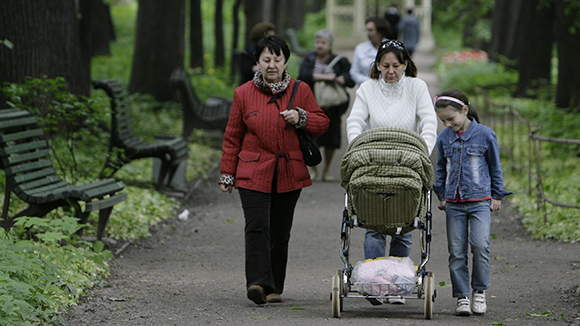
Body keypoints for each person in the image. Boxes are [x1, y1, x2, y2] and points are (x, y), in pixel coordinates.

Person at [219, 35, 330, 305]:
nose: (272, 65)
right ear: (257, 62)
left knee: (280, 231)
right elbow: (232, 136)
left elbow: (322, 122)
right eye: (266, 59)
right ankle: (257, 283)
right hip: (252, 170)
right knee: (257, 226)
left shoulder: (300, 89)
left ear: (285, 62)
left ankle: (274, 286)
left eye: (277, 59)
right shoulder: (243, 93)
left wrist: (300, 117)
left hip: (288, 171)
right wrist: (227, 173)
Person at [346, 39, 437, 303]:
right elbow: (355, 121)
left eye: (396, 65)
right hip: (374, 159)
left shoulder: (417, 87)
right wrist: (357, 147)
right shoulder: (367, 89)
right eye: (385, 65)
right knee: (373, 222)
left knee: (405, 222)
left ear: (406, 64)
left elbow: (428, 121)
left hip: (407, 158)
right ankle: (374, 280)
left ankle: (399, 283)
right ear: (376, 65)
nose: (391, 71)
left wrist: (423, 151)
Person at [433, 89, 512, 316]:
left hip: (480, 201)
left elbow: (495, 167)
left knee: (480, 246)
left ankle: (479, 290)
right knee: (456, 251)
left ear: (464, 110)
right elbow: (440, 168)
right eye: (443, 120)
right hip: (454, 203)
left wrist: (497, 195)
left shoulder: (486, 135)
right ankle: (462, 296)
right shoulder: (443, 138)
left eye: (451, 118)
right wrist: (442, 196)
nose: (448, 124)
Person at [298, 30, 355, 181]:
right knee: (310, 138)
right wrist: (323, 77)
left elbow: (350, 78)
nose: (320, 45)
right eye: (318, 42)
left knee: (331, 140)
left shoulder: (339, 60)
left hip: (333, 107)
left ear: (330, 45)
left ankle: (327, 170)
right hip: (311, 105)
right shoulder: (309, 59)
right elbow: (302, 75)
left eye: (323, 43)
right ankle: (313, 170)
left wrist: (342, 78)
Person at [349, 16, 390, 85]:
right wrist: (370, 82)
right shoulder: (360, 48)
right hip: (366, 89)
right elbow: (354, 72)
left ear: (380, 31)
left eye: (371, 30)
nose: (368, 33)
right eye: (367, 30)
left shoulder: (392, 47)